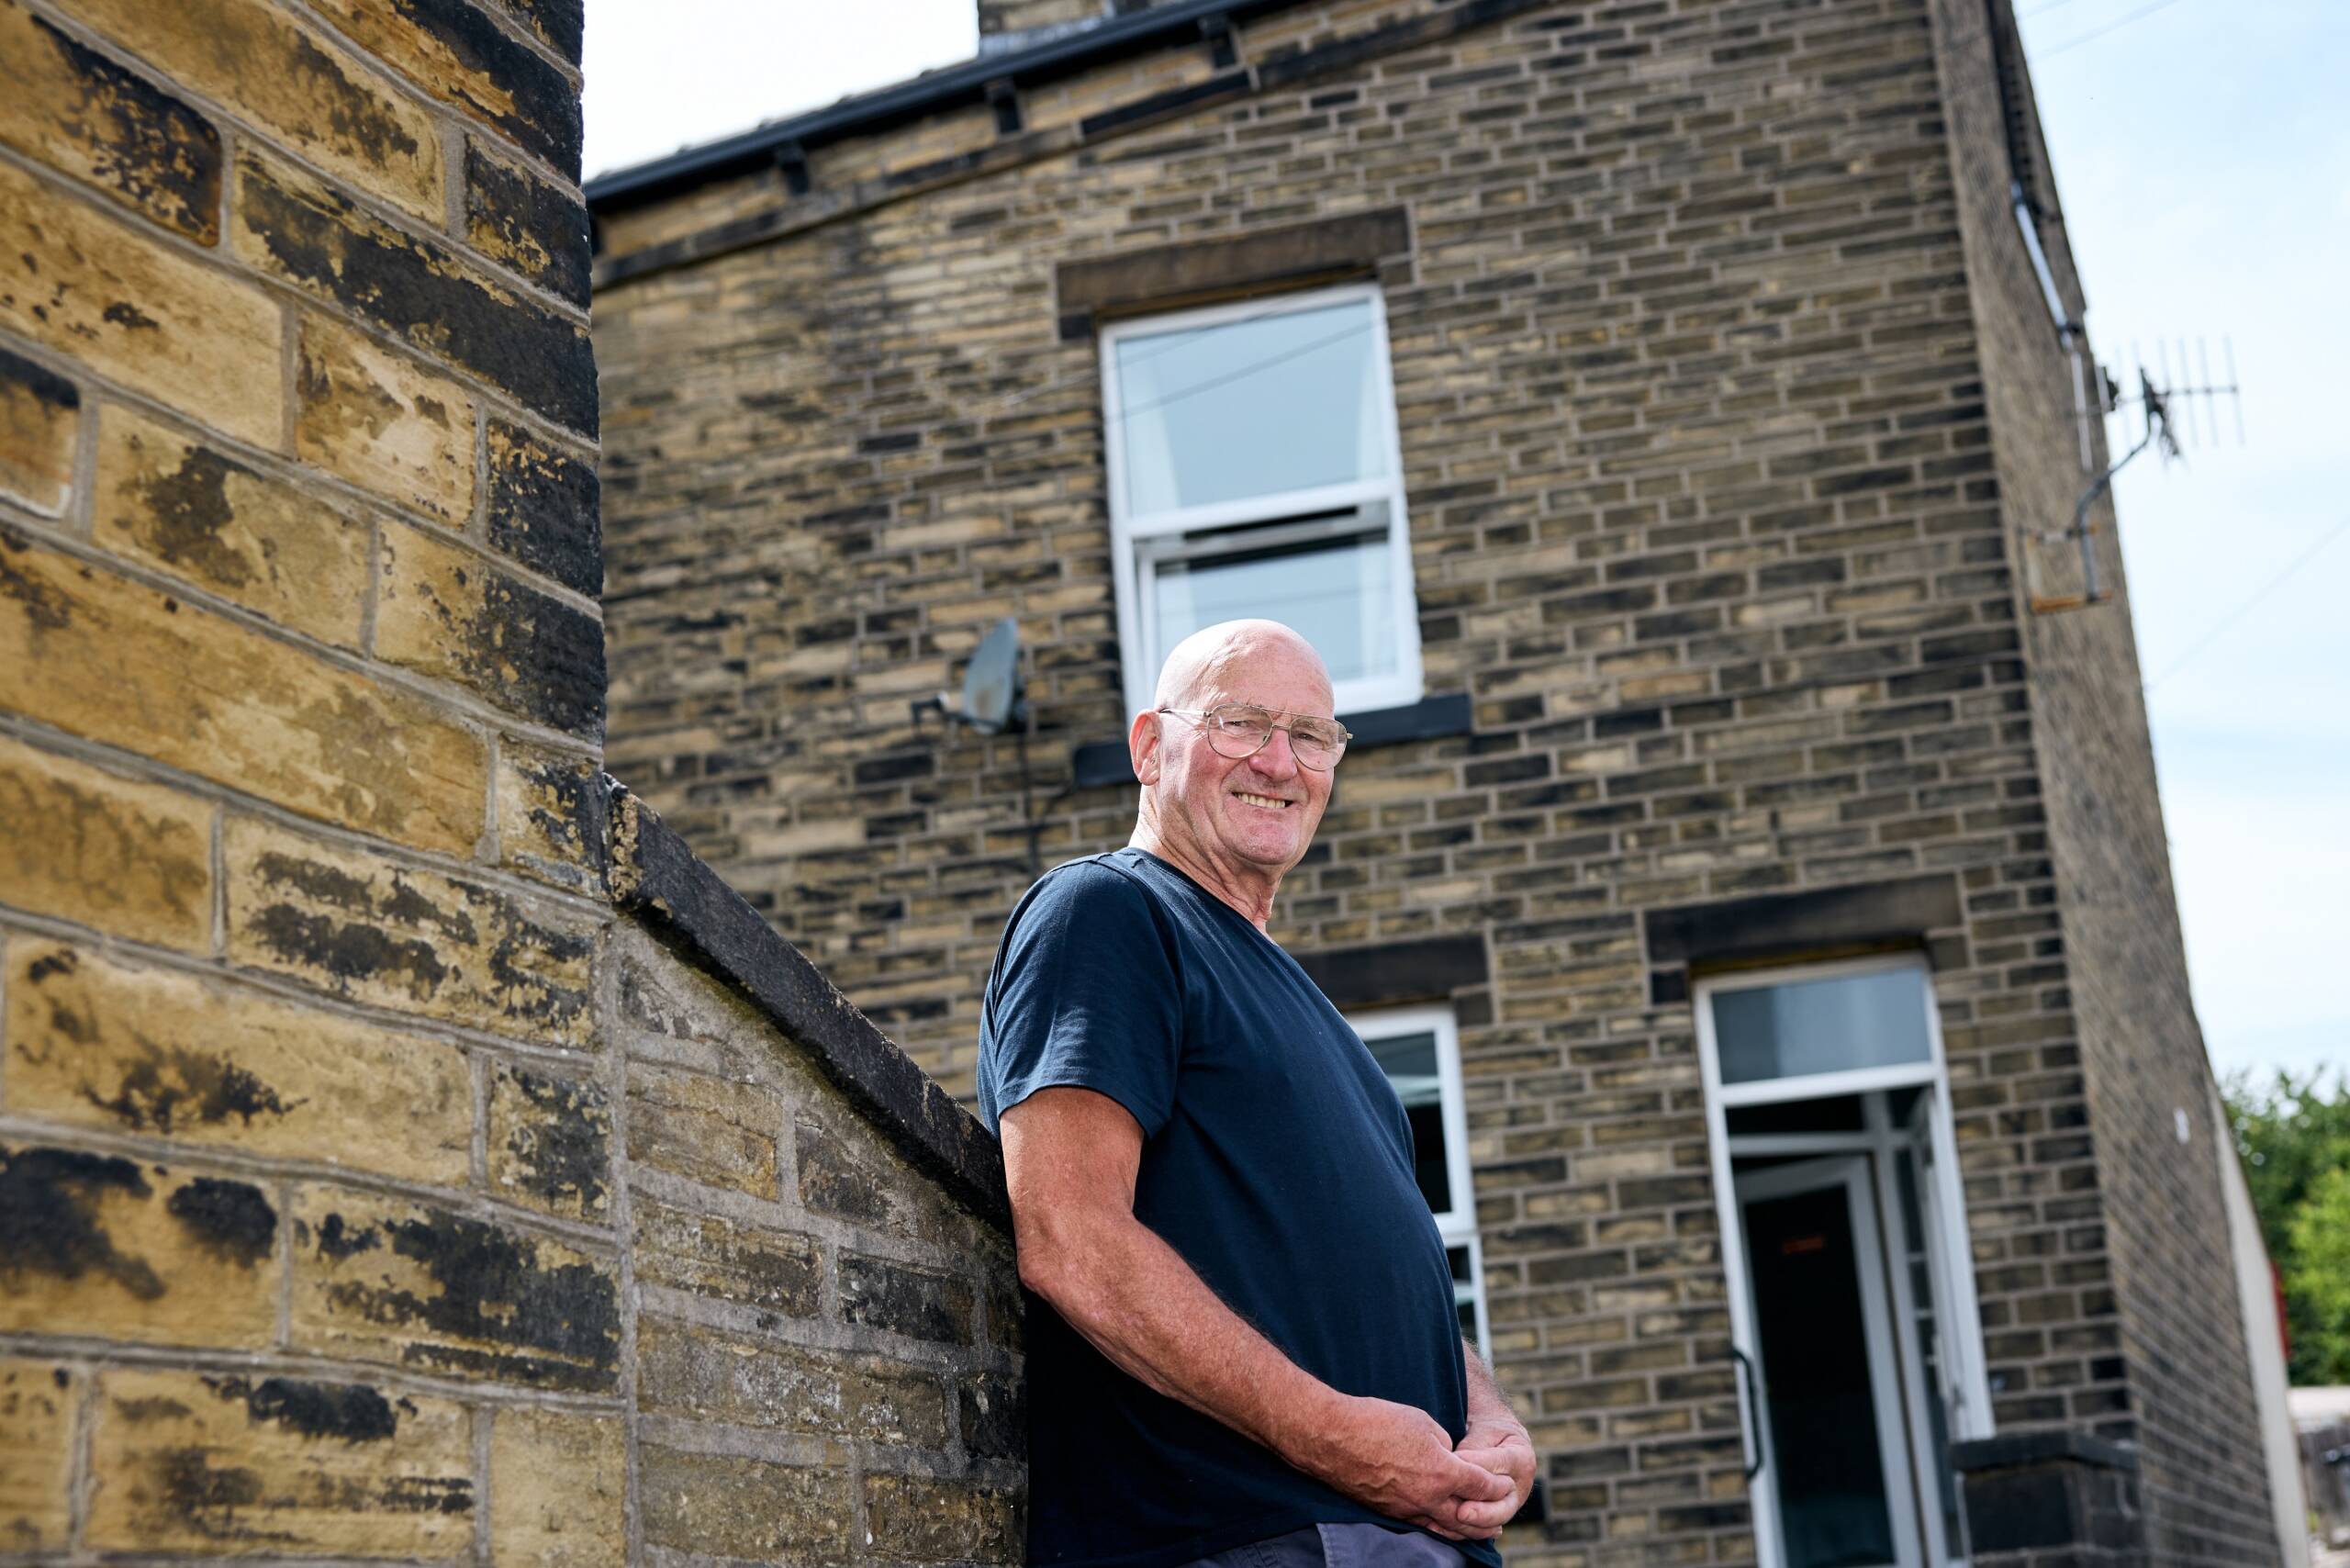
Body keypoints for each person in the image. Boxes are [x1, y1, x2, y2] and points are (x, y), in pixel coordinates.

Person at [977, 620, 1536, 1568]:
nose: (1280, 762)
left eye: (1312, 736)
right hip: (1248, 1538)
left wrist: (1488, 1419)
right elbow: (1070, 1240)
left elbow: (1387, 1286)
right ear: (1152, 748)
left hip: (1399, 1531)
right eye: (1240, 724)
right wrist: (1338, 1438)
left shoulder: (1322, 1025)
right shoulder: (1107, 912)